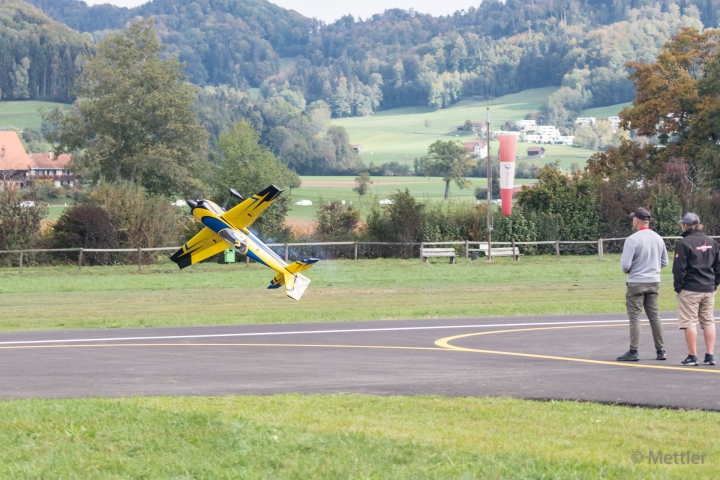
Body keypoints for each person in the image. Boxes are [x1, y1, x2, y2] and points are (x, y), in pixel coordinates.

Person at [617, 207, 669, 362]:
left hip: (636, 281)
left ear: (636, 221)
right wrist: (653, 269)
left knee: (635, 317)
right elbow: (665, 261)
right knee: (654, 315)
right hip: (654, 281)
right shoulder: (658, 238)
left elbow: (625, 265)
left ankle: (634, 350)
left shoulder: (632, 239)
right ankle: (660, 350)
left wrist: (635, 269)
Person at [672, 213, 719, 366]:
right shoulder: (711, 241)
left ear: (685, 226)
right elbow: (718, 266)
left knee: (690, 322)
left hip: (690, 288)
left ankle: (692, 356)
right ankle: (710, 355)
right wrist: (715, 284)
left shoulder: (684, 243)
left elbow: (679, 269)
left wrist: (678, 287)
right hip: (708, 287)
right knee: (708, 321)